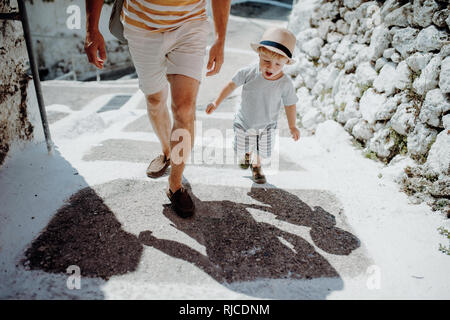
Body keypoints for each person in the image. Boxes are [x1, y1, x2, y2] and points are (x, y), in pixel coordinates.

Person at [84, 0, 231, 218]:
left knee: (184, 109)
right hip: (142, 29)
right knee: (154, 100)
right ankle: (166, 152)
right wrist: (92, 29)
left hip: (190, 26)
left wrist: (220, 39)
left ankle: (175, 185)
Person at [206, 27, 300, 184]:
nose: (271, 67)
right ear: (259, 55)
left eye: (278, 64)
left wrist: (292, 126)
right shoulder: (249, 72)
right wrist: (216, 102)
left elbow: (290, 104)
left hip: (268, 125)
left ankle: (256, 166)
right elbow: (231, 84)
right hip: (244, 122)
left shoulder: (285, 83)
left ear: (285, 63)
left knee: (264, 151)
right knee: (240, 148)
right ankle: (246, 154)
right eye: (266, 61)